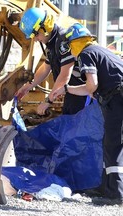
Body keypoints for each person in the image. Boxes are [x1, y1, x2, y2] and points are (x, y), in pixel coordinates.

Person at [52, 22, 123, 205]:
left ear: (73, 44)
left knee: (113, 143)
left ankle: (116, 194)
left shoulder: (85, 54)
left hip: (118, 98)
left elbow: (91, 86)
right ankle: (107, 187)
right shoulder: (99, 50)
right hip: (116, 97)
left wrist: (66, 88)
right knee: (111, 142)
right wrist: (67, 89)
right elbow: (92, 90)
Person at [15, 7, 89, 115]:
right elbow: (46, 68)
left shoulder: (63, 41)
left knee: (78, 128)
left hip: (82, 94)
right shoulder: (51, 43)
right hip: (71, 93)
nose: (35, 39)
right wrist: (27, 87)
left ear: (44, 28)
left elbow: (64, 76)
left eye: (35, 35)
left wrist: (48, 101)